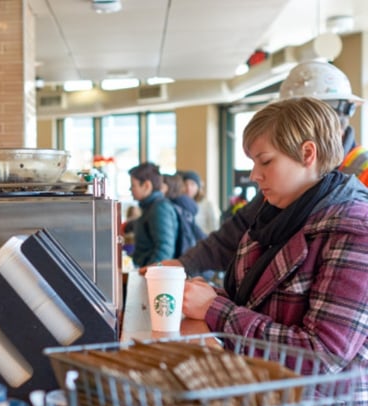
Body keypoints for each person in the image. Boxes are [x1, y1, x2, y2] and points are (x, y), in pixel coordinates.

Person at [182, 97, 368, 406]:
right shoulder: (276, 218)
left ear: (308, 153)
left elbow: (322, 355)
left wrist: (214, 308)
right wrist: (209, 296)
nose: (254, 175)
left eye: (265, 161)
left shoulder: (354, 229)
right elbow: (256, 304)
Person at [156, 61, 367, 276]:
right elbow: (238, 232)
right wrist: (184, 265)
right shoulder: (286, 178)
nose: (255, 175)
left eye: (265, 161)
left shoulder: (360, 190)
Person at [127, 162, 178, 267]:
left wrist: (149, 273)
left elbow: (165, 249)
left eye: (133, 185)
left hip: (153, 277)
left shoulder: (159, 208)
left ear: (146, 185)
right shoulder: (150, 207)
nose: (130, 189)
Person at [181, 170, 220, 235]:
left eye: (192, 184)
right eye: (185, 184)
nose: (188, 188)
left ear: (198, 187)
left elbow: (215, 228)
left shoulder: (208, 205)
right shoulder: (180, 205)